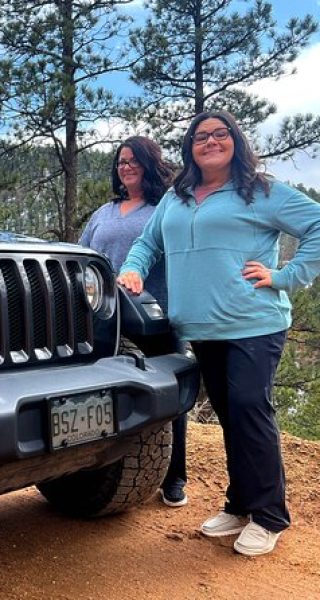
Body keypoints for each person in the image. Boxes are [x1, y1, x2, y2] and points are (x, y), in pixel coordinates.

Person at [117, 110, 320, 556]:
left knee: (250, 408)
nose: (210, 141)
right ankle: (240, 504)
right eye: (201, 136)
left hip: (254, 322)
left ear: (236, 140)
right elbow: (148, 243)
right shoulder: (178, 195)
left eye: (220, 133)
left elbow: (317, 226)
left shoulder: (260, 191)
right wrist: (133, 269)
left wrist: (285, 276)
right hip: (201, 326)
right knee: (231, 415)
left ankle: (270, 516)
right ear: (190, 147)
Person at [79, 136, 188, 509]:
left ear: (149, 164)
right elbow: (83, 260)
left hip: (153, 317)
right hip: (104, 322)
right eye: (121, 162)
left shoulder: (165, 209)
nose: (125, 167)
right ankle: (105, 468)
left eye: (133, 161)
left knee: (166, 397)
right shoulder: (103, 213)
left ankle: (174, 476)